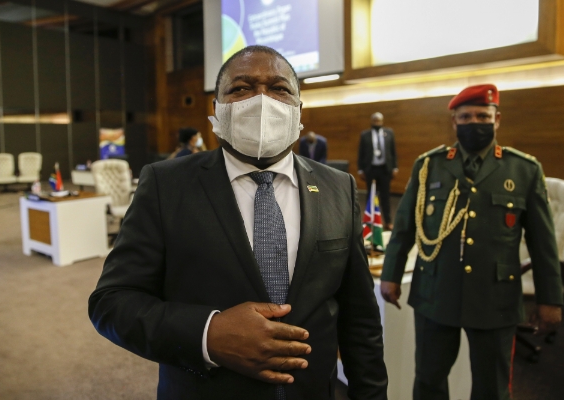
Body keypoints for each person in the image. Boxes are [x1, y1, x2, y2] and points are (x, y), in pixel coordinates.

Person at [89, 45, 387, 400]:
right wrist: (208, 334)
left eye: (279, 88)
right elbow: (112, 302)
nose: (262, 100)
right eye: (241, 88)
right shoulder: (164, 184)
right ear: (217, 109)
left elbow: (360, 319)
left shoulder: (338, 186)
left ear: (298, 109)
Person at [380, 84, 563, 400]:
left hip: (496, 297)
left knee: (491, 388)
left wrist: (551, 298)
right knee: (428, 381)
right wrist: (390, 274)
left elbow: (542, 241)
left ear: (497, 119)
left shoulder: (524, 170)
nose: (474, 122)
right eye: (465, 116)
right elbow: (405, 228)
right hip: (435, 293)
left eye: (482, 115)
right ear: (454, 121)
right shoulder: (428, 166)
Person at [357, 112, 398, 230]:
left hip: (385, 169)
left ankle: (388, 221)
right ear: (371, 121)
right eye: (375, 121)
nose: (377, 123)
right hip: (371, 169)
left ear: (382, 121)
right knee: (370, 195)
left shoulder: (389, 133)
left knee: (385, 196)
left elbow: (393, 151)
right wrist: (360, 169)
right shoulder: (365, 135)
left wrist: (395, 167)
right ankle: (369, 222)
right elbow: (361, 152)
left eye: (379, 121)